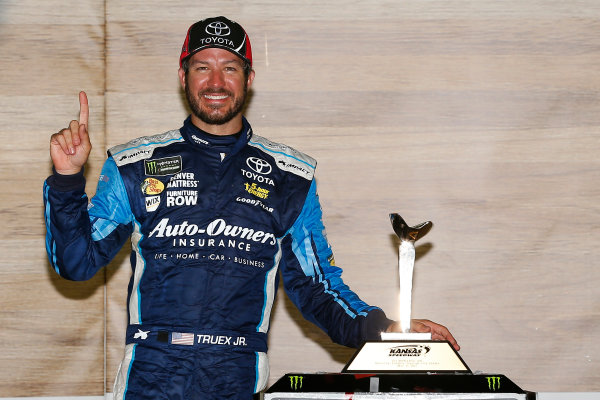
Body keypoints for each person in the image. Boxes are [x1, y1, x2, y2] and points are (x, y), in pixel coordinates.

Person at [44, 16, 459, 400]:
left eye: (230, 67)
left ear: (249, 79)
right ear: (183, 77)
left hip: (237, 376)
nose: (216, 80)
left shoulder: (291, 176)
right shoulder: (134, 166)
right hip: (150, 374)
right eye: (202, 66)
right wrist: (66, 180)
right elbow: (76, 263)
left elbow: (317, 287)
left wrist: (387, 328)